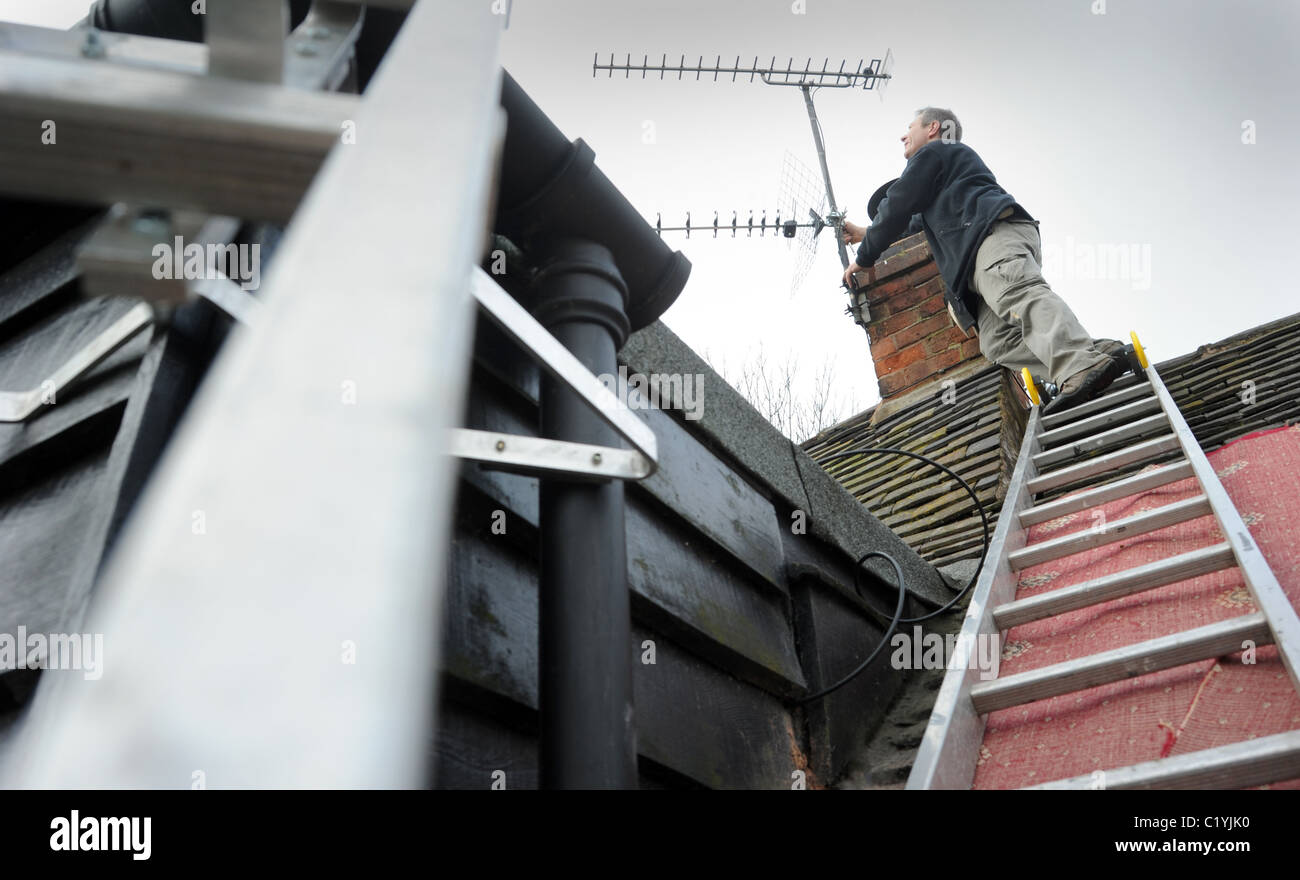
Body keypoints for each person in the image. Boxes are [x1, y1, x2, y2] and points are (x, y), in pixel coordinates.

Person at [840, 107, 1125, 415]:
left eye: (910, 127)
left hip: (992, 237)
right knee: (997, 341)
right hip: (982, 256)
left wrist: (865, 256)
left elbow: (899, 203)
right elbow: (911, 222)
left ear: (933, 128)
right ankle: (1095, 353)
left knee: (1019, 299)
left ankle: (1079, 363)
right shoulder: (944, 181)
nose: (903, 135)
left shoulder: (937, 151)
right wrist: (864, 233)